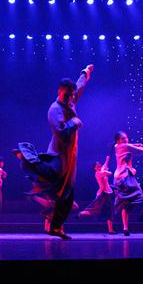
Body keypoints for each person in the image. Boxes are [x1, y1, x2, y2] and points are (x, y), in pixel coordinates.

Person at [15, 64, 94, 240]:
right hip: (58, 152)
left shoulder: (70, 100)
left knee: (67, 194)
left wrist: (85, 72)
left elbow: (79, 86)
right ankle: (26, 158)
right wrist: (75, 122)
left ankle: (56, 227)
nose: (71, 97)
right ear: (59, 92)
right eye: (67, 94)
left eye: (72, 95)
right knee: (52, 173)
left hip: (70, 156)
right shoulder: (54, 109)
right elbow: (62, 131)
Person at [113, 131, 143, 236]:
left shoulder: (116, 146)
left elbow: (127, 146)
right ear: (118, 140)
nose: (126, 140)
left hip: (118, 177)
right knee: (140, 195)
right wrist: (139, 146)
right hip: (125, 177)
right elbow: (142, 152)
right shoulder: (126, 147)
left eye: (126, 138)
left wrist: (134, 144)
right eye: (123, 139)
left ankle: (125, 228)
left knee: (125, 203)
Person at [78, 156, 116, 234]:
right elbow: (109, 173)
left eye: (99, 166)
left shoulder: (101, 171)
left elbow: (105, 166)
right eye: (97, 166)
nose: (99, 167)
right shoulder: (98, 173)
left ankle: (110, 230)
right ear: (95, 168)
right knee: (95, 209)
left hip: (107, 194)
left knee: (109, 211)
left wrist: (107, 159)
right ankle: (81, 213)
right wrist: (106, 170)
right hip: (102, 194)